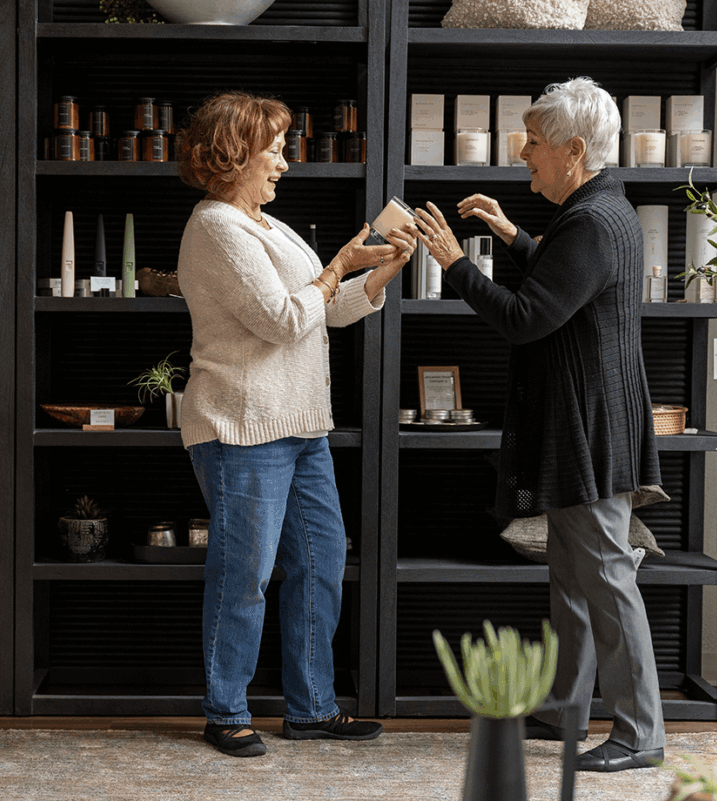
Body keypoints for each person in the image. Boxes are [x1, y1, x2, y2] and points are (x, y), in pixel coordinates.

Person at [406, 76, 666, 773]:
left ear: (575, 150)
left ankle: (641, 730)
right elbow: (564, 284)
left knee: (605, 574)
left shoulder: (591, 221)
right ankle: (567, 706)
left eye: (535, 147)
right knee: (573, 576)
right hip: (585, 421)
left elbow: (527, 318)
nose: (526, 157)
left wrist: (456, 265)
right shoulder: (603, 210)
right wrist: (512, 235)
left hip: (587, 426)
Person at [175, 91, 414, 758]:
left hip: (302, 425)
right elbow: (282, 319)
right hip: (243, 428)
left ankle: (310, 708)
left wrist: (379, 271)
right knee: (242, 576)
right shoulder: (217, 227)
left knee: (320, 561)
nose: (284, 161)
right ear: (234, 155)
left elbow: (321, 312)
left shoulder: (268, 227)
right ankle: (225, 711)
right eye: (274, 149)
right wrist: (339, 263)